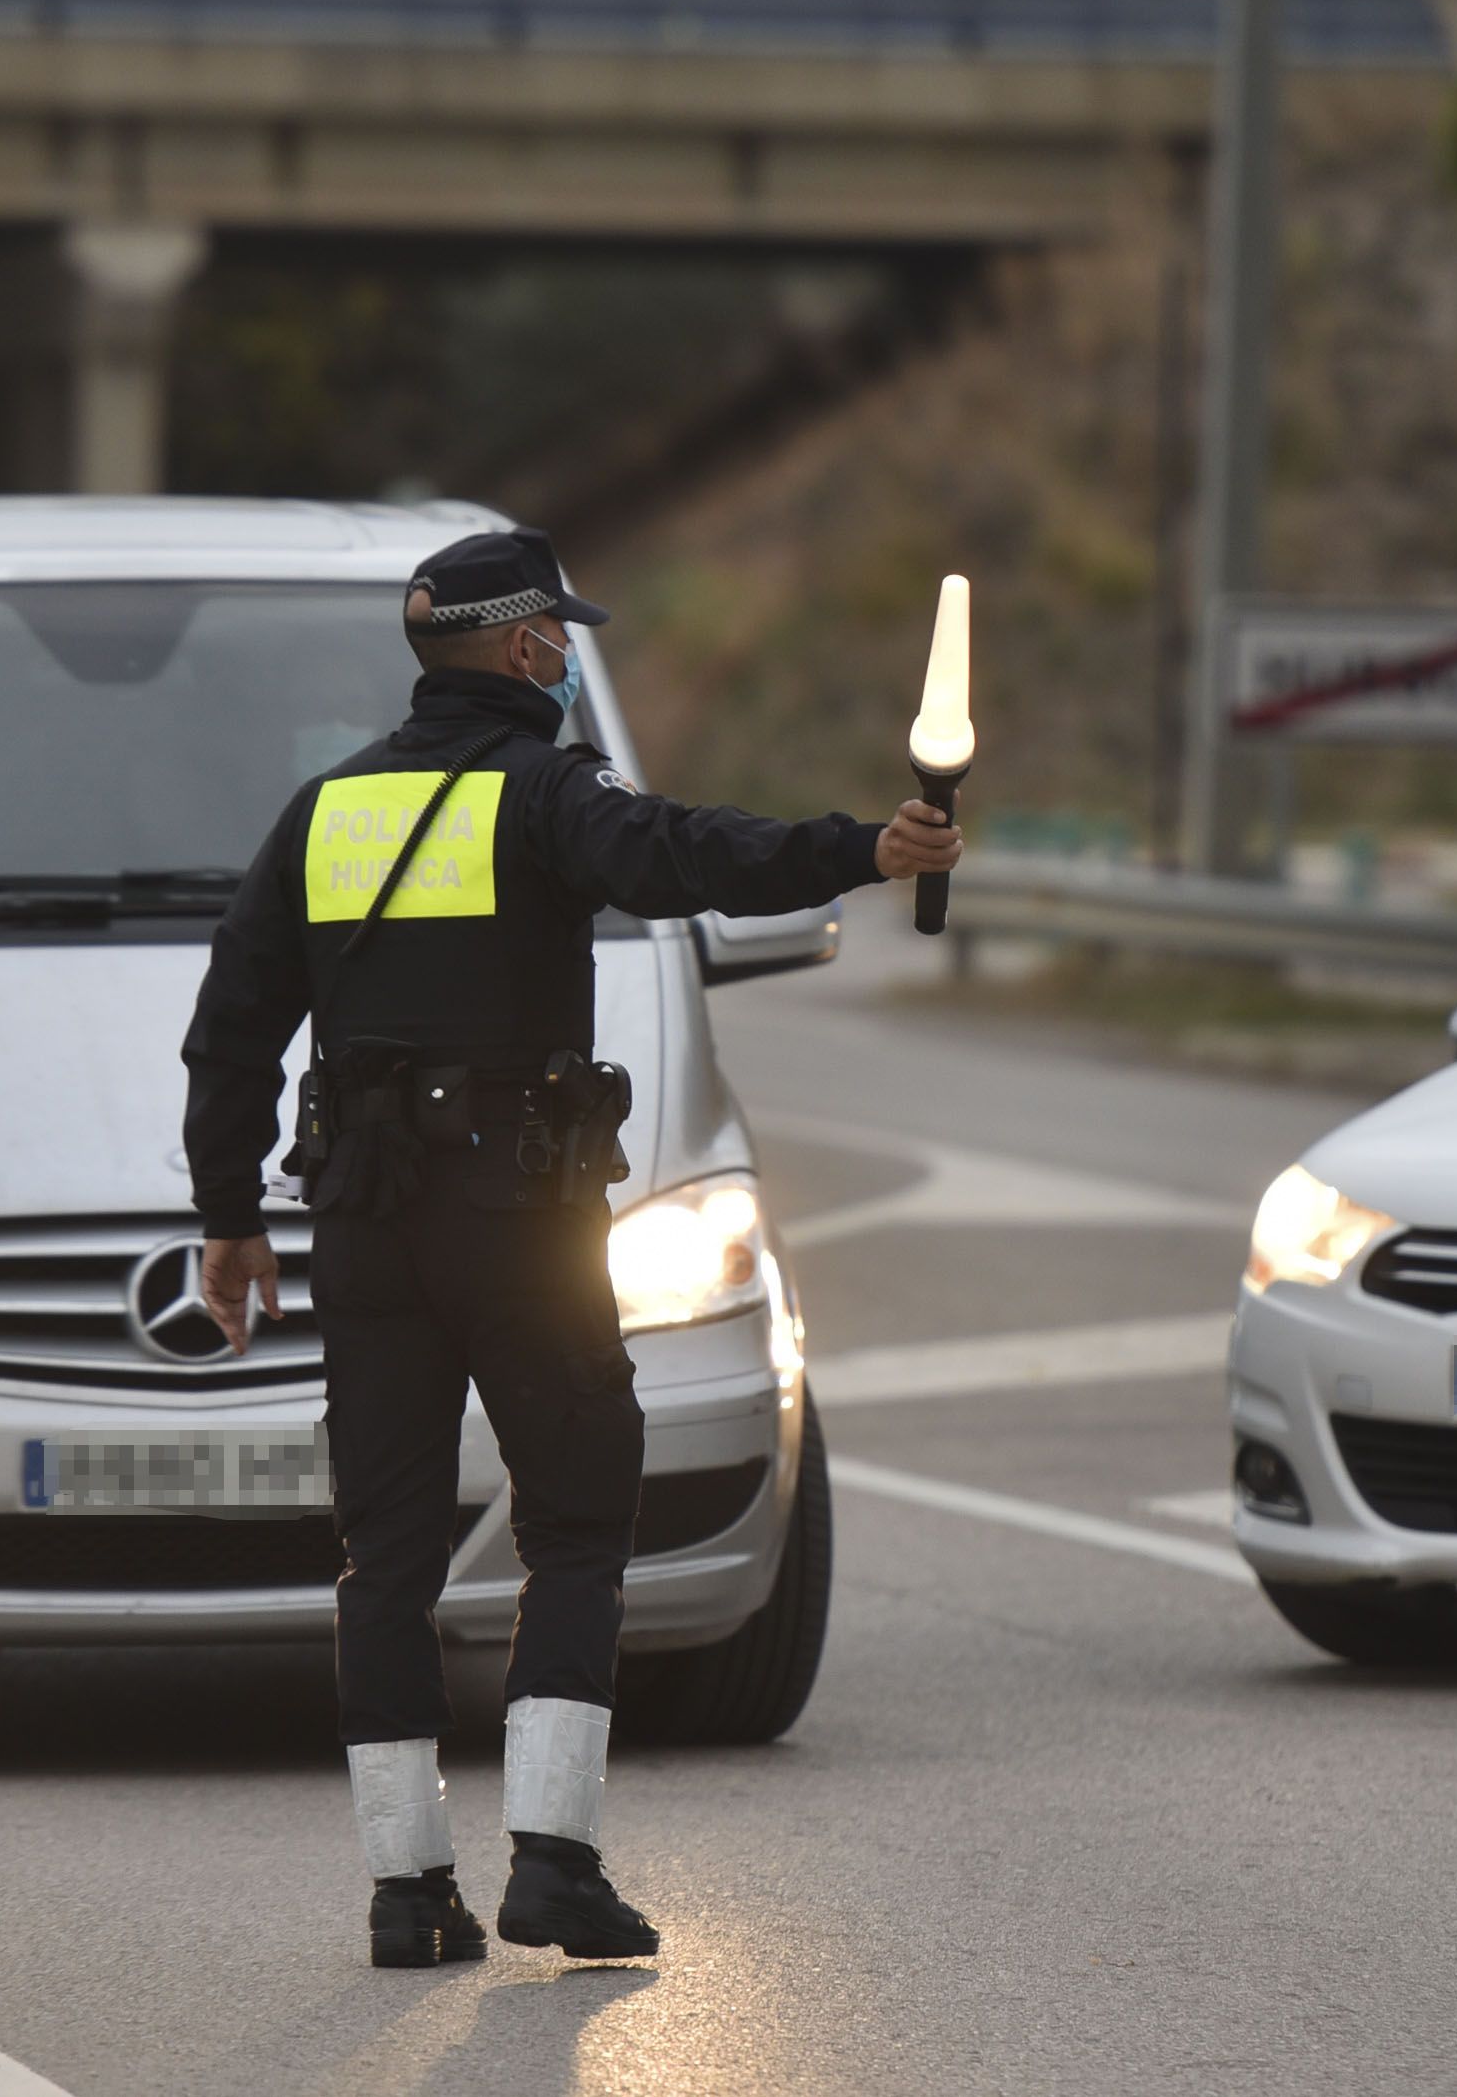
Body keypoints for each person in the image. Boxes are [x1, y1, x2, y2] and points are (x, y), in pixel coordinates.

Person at [179, 525, 959, 1969]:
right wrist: (860, 848)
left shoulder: (325, 811)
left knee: (387, 1552)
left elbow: (232, 1028)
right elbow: (680, 856)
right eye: (558, 638)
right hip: (519, 1223)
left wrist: (228, 1216)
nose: (564, 658)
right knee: (580, 1522)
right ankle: (553, 1862)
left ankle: (407, 1891)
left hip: (364, 1224)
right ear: (526, 643)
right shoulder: (546, 790)